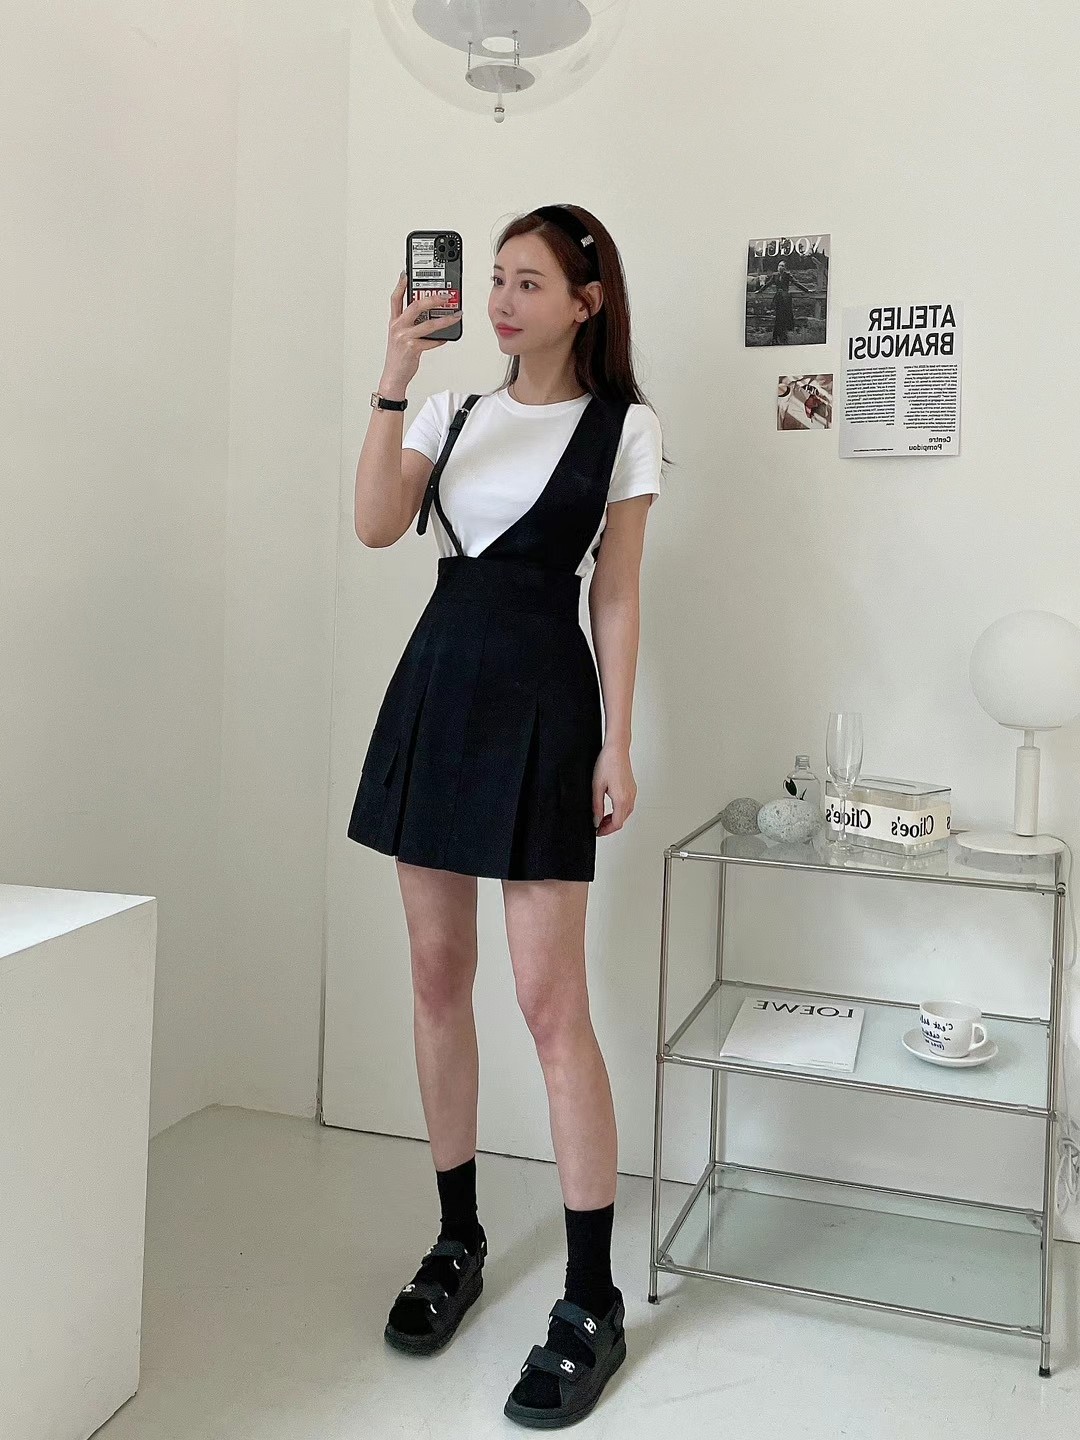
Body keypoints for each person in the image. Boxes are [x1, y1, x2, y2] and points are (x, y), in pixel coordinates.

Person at [349, 204, 665, 1428]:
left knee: (550, 1005)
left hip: (544, 705)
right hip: (438, 689)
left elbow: (617, 595)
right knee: (438, 977)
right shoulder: (448, 412)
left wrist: (617, 741)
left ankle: (591, 1297)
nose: (499, 300)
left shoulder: (624, 427)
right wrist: (394, 375)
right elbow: (376, 524)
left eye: (528, 282)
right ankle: (459, 1238)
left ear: (586, 301)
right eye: (493, 279)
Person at [757, 258, 813, 344]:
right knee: (778, 317)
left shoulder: (787, 275)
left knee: (784, 317)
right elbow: (768, 284)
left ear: (785, 268)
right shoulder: (775, 275)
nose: (780, 267)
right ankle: (776, 338)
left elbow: (796, 283)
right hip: (778, 298)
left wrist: (807, 290)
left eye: (782, 266)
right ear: (777, 267)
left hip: (786, 299)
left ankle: (783, 337)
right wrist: (760, 291)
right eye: (779, 265)